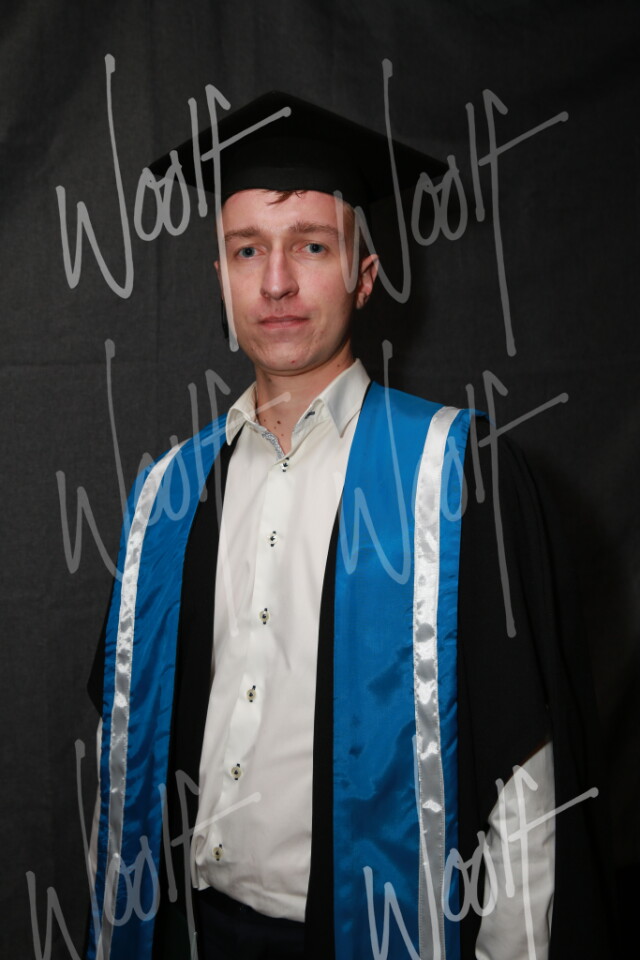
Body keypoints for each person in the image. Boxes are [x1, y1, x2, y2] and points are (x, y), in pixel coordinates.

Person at [87, 93, 612, 960]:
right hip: (189, 930)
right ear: (220, 278)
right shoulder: (167, 495)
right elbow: (127, 748)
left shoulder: (455, 477)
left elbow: (524, 782)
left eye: (312, 247)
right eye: (247, 249)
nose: (276, 282)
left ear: (365, 276)